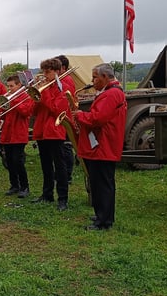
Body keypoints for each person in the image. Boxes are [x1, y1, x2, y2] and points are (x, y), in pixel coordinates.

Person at [74, 63, 127, 230]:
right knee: (99, 182)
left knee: (102, 184)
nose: (92, 80)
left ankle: (104, 221)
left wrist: (81, 115)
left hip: (103, 145)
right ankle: (102, 214)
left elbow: (97, 119)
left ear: (105, 77)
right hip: (102, 144)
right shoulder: (110, 93)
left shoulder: (111, 94)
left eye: (95, 77)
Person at [31, 58, 70, 210]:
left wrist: (44, 93)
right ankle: (47, 194)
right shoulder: (44, 88)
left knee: (60, 167)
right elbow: (34, 112)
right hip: (42, 131)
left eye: (48, 72)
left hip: (55, 131)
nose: (44, 75)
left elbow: (56, 110)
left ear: (57, 71)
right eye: (43, 72)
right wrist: (35, 98)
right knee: (46, 165)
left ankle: (63, 198)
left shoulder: (63, 88)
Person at [0, 74, 33, 198]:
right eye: (8, 86)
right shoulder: (9, 96)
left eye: (12, 86)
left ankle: (25, 187)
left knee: (17, 161)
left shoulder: (26, 97)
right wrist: (3, 107)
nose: (9, 89)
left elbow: (25, 112)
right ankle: (14, 185)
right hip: (7, 132)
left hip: (18, 133)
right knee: (9, 161)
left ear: (19, 85)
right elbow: (3, 116)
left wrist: (12, 101)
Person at [56, 55, 77, 184]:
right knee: (63, 148)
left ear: (62, 68)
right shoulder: (62, 79)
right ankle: (61, 173)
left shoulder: (66, 80)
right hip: (63, 116)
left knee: (66, 147)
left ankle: (67, 174)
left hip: (66, 117)